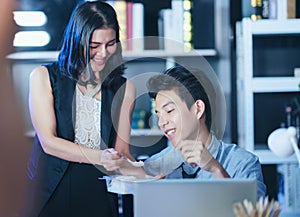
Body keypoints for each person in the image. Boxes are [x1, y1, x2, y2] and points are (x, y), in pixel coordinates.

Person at [24, 1, 137, 217]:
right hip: (50, 192)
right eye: (94, 46)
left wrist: (150, 172)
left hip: (98, 193)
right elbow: (49, 142)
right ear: (77, 41)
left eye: (110, 43)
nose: (103, 53)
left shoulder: (125, 89)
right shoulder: (43, 77)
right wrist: (100, 156)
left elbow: (121, 152)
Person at [141, 65, 266, 199]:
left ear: (198, 109)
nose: (161, 123)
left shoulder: (243, 164)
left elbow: (253, 213)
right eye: (158, 115)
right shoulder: (155, 166)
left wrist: (216, 170)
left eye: (170, 111)